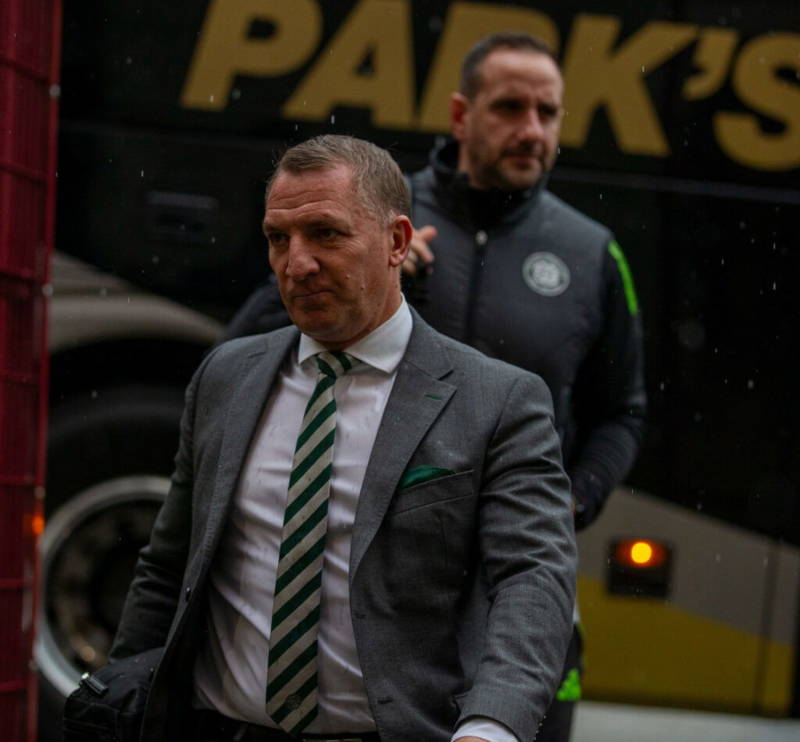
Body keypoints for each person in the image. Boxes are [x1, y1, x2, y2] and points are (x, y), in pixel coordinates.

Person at [221, 33, 647, 742]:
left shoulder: (590, 251)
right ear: (460, 114)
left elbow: (623, 412)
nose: (532, 130)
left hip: (518, 571)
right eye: (509, 108)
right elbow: (247, 358)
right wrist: (377, 276)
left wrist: (570, 502)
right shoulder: (366, 218)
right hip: (380, 583)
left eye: (548, 112)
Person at [108, 134, 577, 742]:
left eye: (325, 234)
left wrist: (490, 726)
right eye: (278, 238)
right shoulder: (227, 376)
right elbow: (169, 565)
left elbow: (533, 578)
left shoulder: (496, 400)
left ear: (397, 242)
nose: (296, 264)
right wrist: (121, 693)